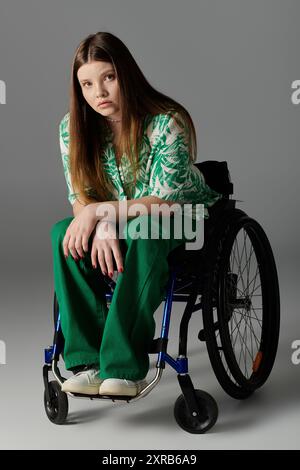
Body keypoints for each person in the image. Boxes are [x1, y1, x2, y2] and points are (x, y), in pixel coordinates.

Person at [50, 31, 222, 397]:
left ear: (125, 74)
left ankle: (125, 367)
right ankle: (88, 361)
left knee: (145, 229)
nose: (100, 93)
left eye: (108, 78)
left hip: (182, 215)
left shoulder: (167, 121)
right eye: (88, 84)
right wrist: (100, 224)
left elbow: (164, 201)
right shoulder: (72, 129)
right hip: (116, 219)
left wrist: (103, 214)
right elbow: (80, 198)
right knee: (61, 234)